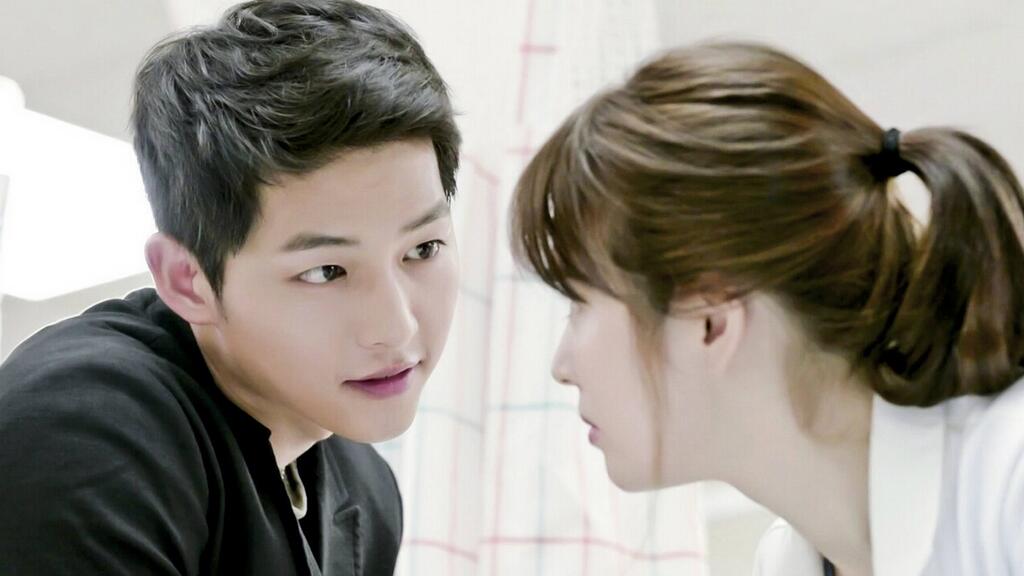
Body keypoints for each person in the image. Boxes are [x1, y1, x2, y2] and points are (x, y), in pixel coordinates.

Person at [510, 42, 1024, 575]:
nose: (562, 365)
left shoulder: (1009, 484)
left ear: (710, 321)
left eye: (579, 302)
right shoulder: (783, 562)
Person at [0, 1, 460, 574]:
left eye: (423, 249)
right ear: (187, 280)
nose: (396, 327)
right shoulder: (84, 436)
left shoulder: (366, 491)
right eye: (326, 271)